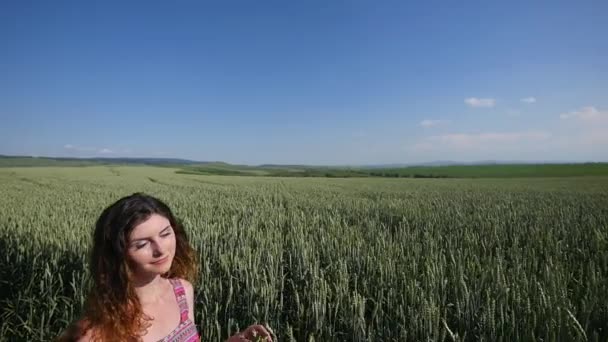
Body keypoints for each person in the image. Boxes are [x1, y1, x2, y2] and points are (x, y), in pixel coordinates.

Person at [58, 192, 273, 342]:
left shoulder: (182, 291)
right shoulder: (99, 333)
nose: (161, 249)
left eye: (165, 233)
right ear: (117, 255)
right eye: (142, 244)